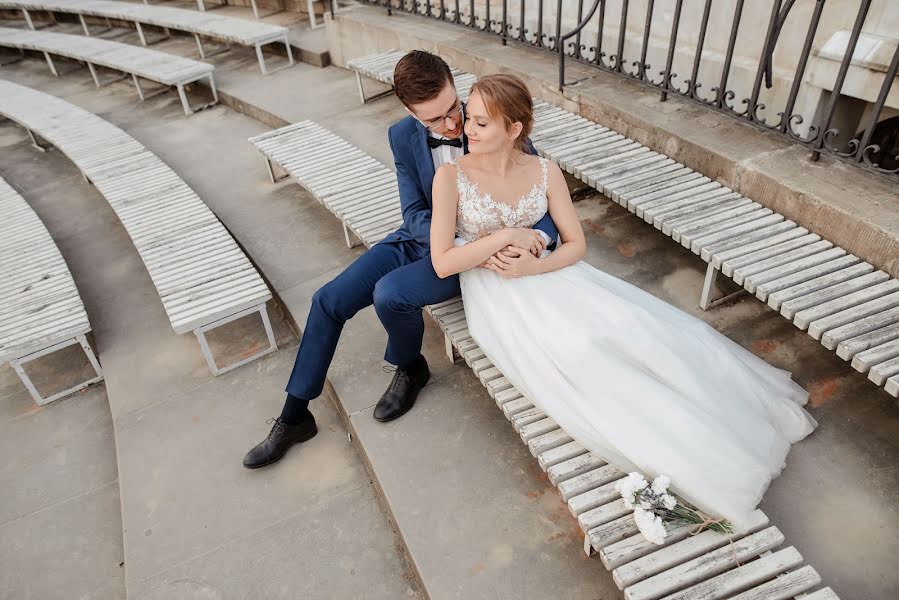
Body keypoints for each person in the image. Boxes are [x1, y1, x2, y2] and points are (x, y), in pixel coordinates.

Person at [428, 73, 818, 531]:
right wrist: (508, 236)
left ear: (514, 130)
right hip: (499, 297)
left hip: (554, 275)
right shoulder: (449, 177)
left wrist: (535, 265)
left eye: (481, 123)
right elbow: (443, 262)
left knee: (639, 326)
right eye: (469, 120)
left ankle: (737, 421)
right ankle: (698, 451)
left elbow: (574, 244)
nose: (467, 131)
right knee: (583, 352)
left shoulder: (545, 171)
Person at [243, 52, 559, 469]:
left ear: (455, 87)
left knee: (391, 295)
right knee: (328, 299)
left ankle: (409, 367)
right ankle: (294, 415)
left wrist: (533, 240)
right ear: (410, 113)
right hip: (423, 239)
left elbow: (539, 195)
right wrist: (451, 241)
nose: (451, 125)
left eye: (453, 110)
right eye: (433, 121)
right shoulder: (401, 136)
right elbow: (412, 213)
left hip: (478, 257)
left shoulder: (492, 121)